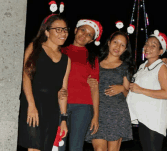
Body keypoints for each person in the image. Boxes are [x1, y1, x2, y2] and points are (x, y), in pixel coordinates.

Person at [18, 14, 71, 151]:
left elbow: (63, 90)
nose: (63, 33)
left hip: (52, 109)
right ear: (47, 31)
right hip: (33, 104)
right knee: (34, 148)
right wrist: (31, 105)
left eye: (65, 29)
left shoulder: (66, 60)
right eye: (58, 29)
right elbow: (26, 78)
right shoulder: (35, 47)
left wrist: (63, 119)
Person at [85, 31, 134, 151]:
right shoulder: (95, 62)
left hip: (117, 113)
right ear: (108, 43)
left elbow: (130, 96)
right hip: (98, 112)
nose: (117, 47)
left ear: (125, 49)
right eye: (115, 42)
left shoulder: (125, 67)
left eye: (122, 45)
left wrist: (122, 88)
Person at [59, 19, 103, 151]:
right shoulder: (60, 50)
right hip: (60, 104)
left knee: (76, 147)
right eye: (83, 30)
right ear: (75, 30)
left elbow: (95, 88)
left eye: (89, 34)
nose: (84, 35)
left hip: (83, 107)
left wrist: (96, 115)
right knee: (58, 144)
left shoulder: (92, 57)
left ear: (91, 40)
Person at [126, 30, 167, 151]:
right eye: (146, 44)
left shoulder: (161, 67)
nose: (147, 47)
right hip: (143, 118)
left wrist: (140, 90)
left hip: (154, 120)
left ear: (160, 51)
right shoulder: (142, 67)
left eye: (153, 45)